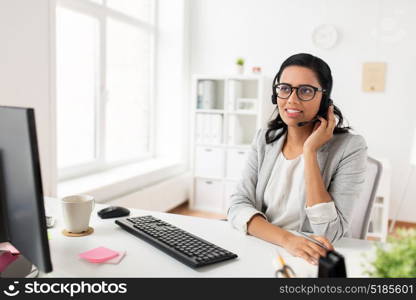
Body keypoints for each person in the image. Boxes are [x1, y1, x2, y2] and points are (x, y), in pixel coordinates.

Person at [227, 53, 368, 265]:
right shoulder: (264, 139)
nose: (292, 99)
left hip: (307, 259)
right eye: (285, 88)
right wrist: (287, 240)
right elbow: (238, 205)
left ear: (324, 99)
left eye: (305, 91)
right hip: (262, 246)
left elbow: (329, 232)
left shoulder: (350, 147)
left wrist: (310, 152)